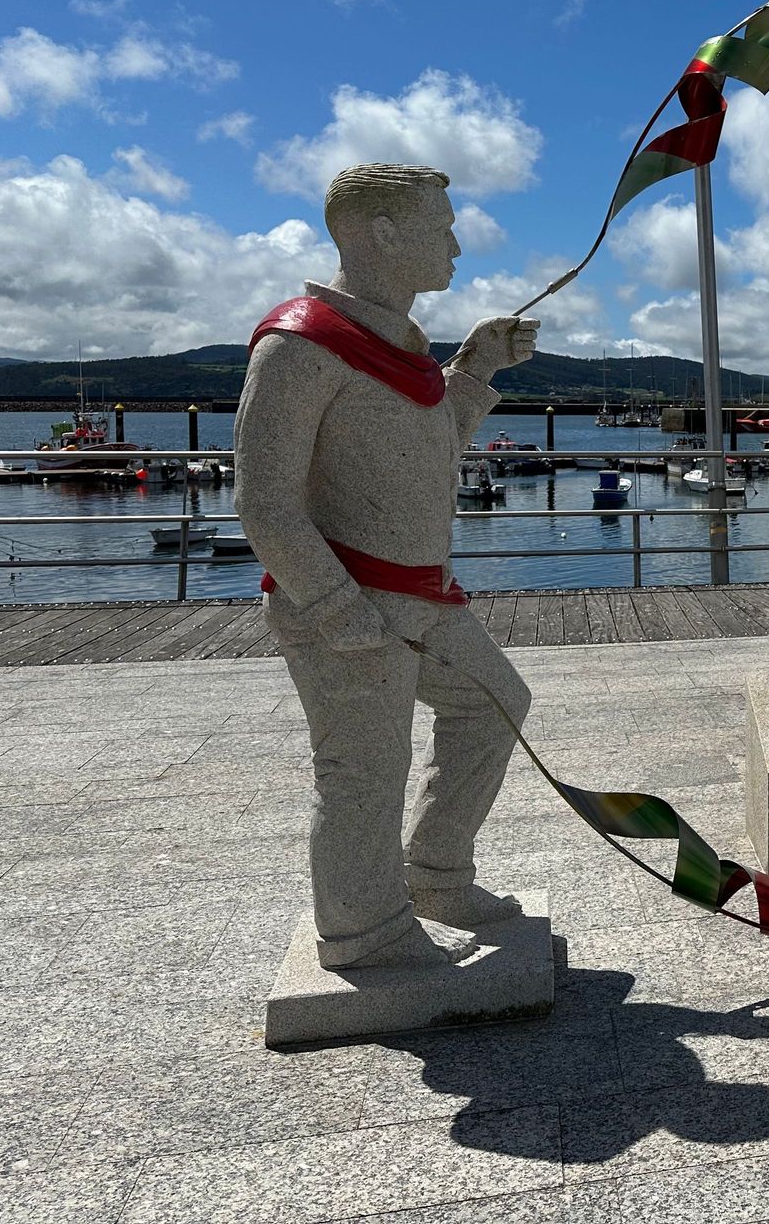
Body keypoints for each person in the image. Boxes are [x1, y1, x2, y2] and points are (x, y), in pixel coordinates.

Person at [235, 163, 540, 968]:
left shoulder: (398, 348)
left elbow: (429, 450)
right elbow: (264, 501)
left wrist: (475, 367)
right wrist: (336, 610)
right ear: (383, 232)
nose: (457, 245)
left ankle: (436, 872)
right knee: (363, 770)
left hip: (421, 597)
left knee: (495, 704)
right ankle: (365, 934)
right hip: (349, 602)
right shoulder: (300, 345)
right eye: (442, 228)